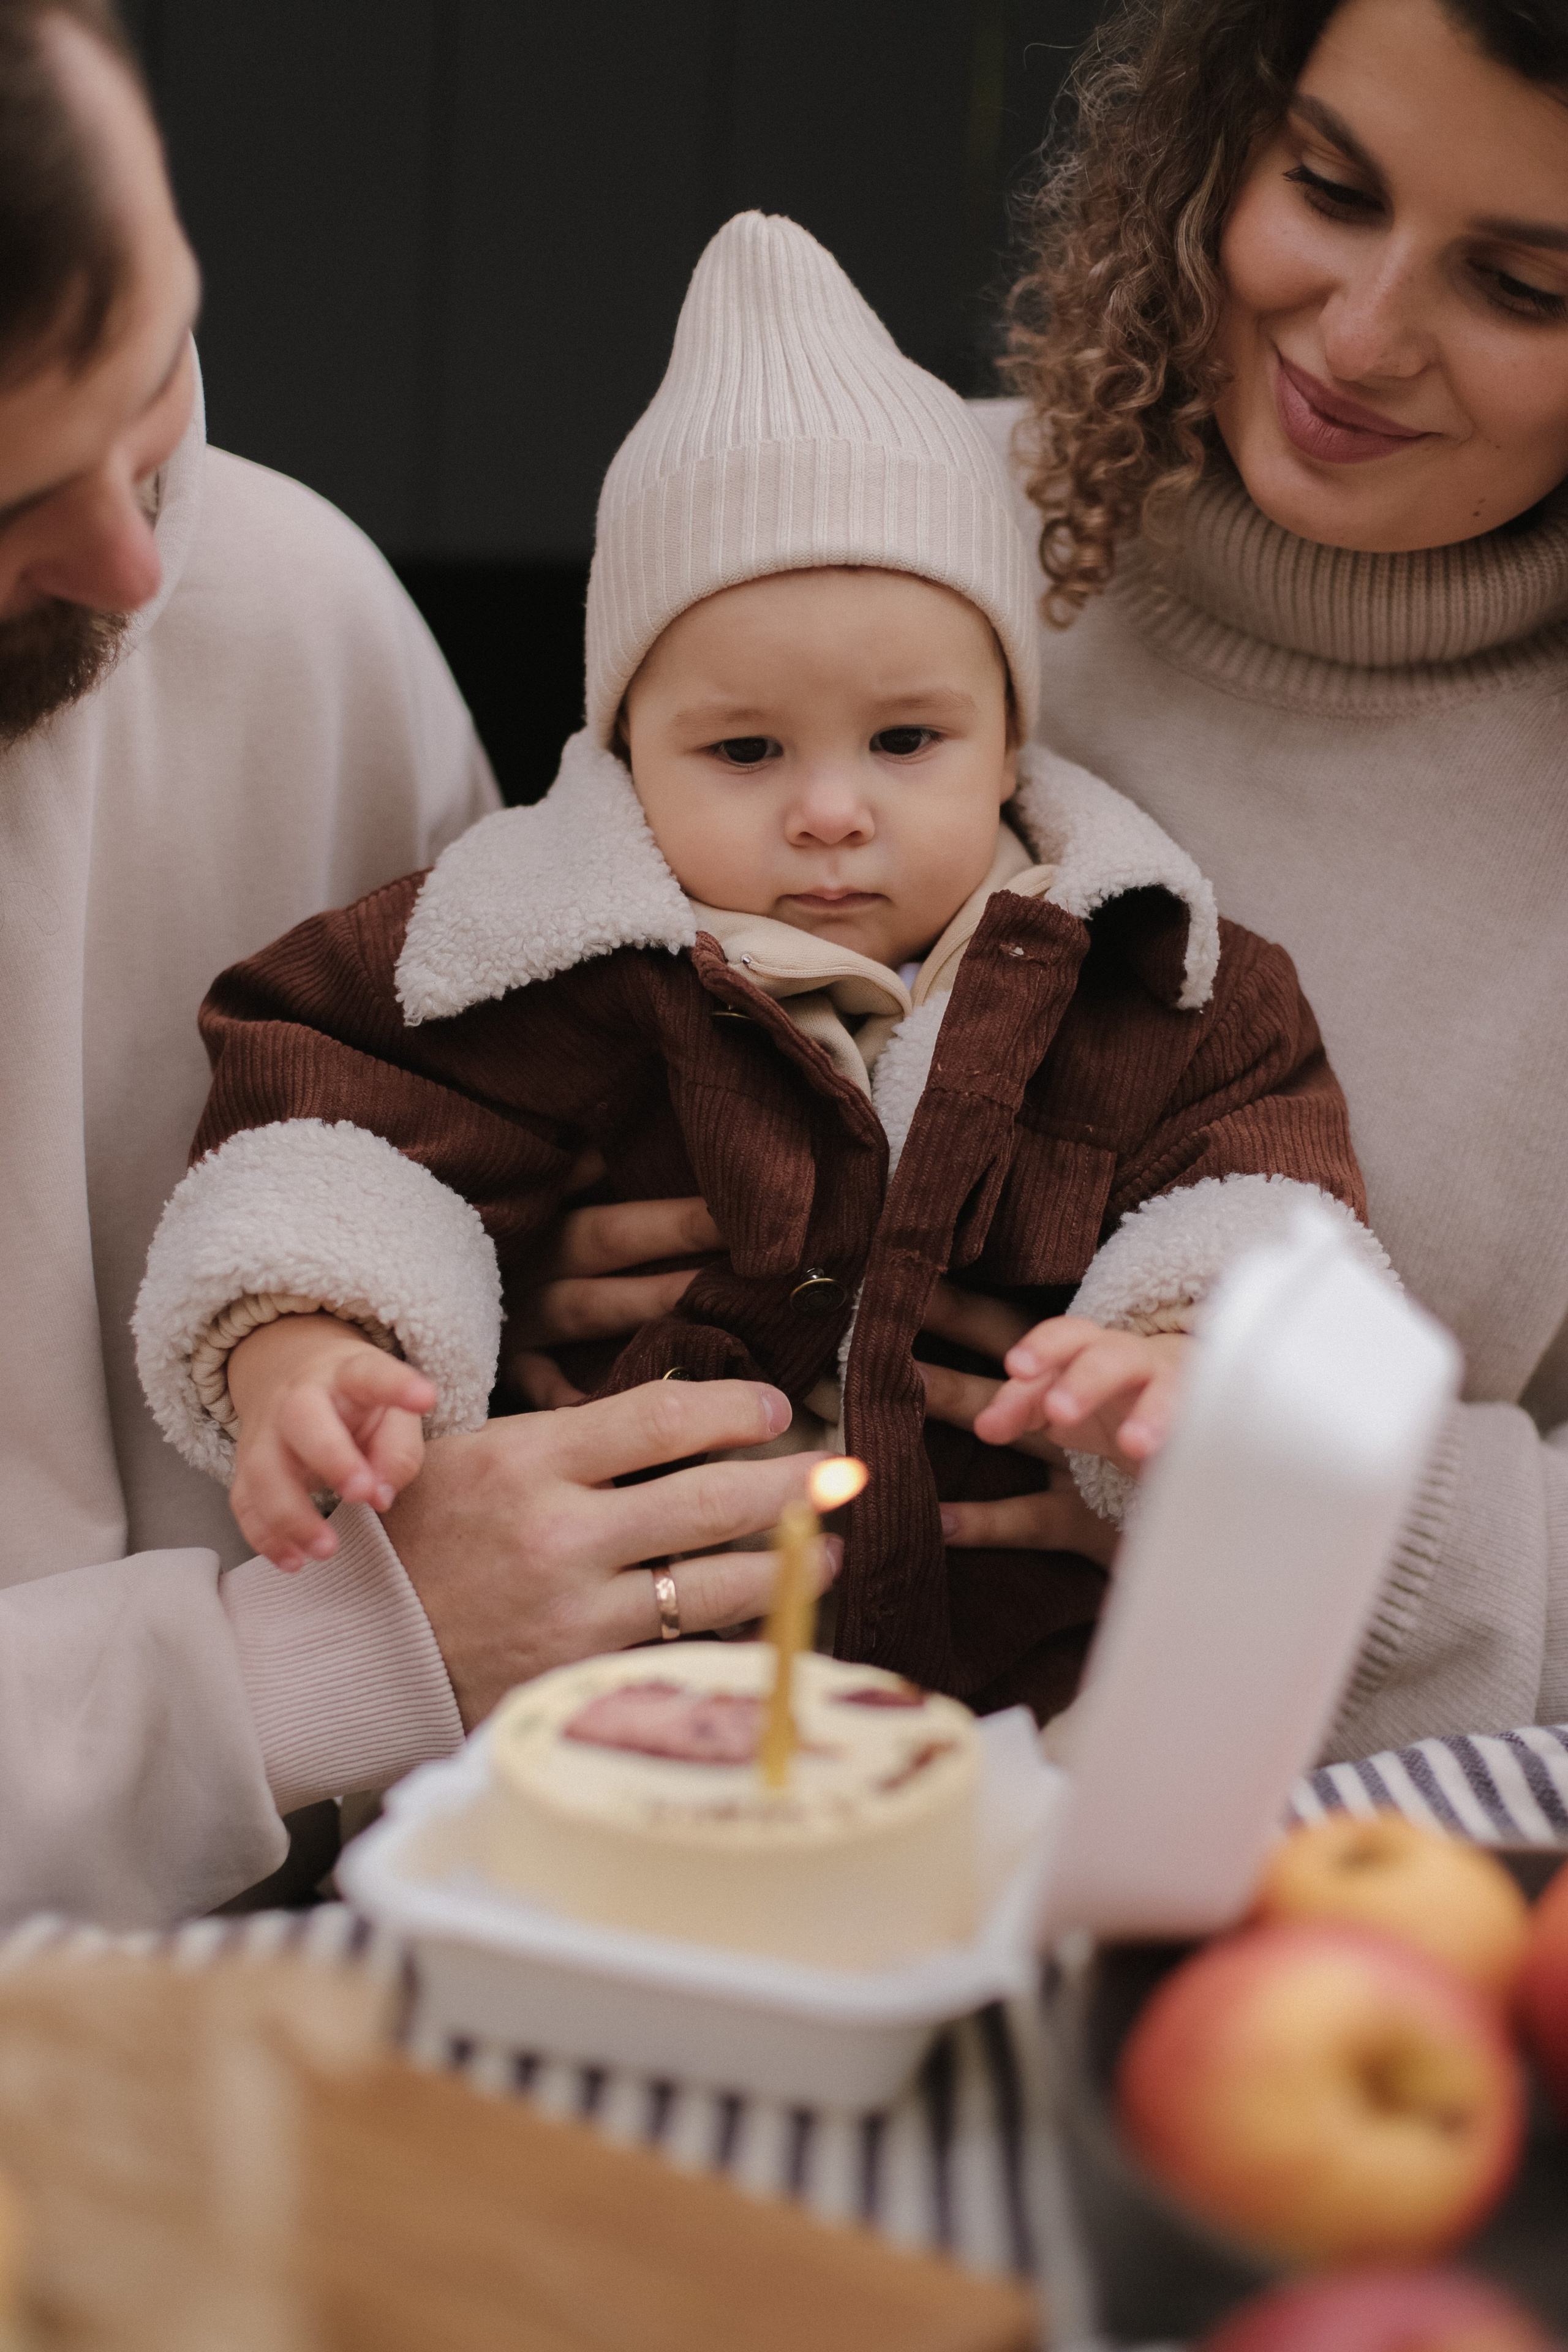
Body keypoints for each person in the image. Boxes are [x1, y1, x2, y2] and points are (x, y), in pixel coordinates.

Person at [135, 213, 1373, 1724]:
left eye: (907, 741)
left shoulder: (1143, 977)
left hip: (1010, 1706)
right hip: (623, 1692)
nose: (832, 809)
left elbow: (1254, 1186)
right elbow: (341, 1141)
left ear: (1007, 731)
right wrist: (311, 1341)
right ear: (624, 748)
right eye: (742, 750)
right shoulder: (542, 959)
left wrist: (1188, 1350)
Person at [0, 0, 829, 1932]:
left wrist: (508, 1277)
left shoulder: (281, 610)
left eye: (157, 390)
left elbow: (443, 1132)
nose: (139, 569)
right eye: (15, 501)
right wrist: (300, 1670)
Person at [958, 0, 1568, 1758]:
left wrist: (1309, 1524)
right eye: (1328, 186)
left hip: (1288, 1918)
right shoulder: (893, 519)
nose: (1363, 336)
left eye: (1521, 287)